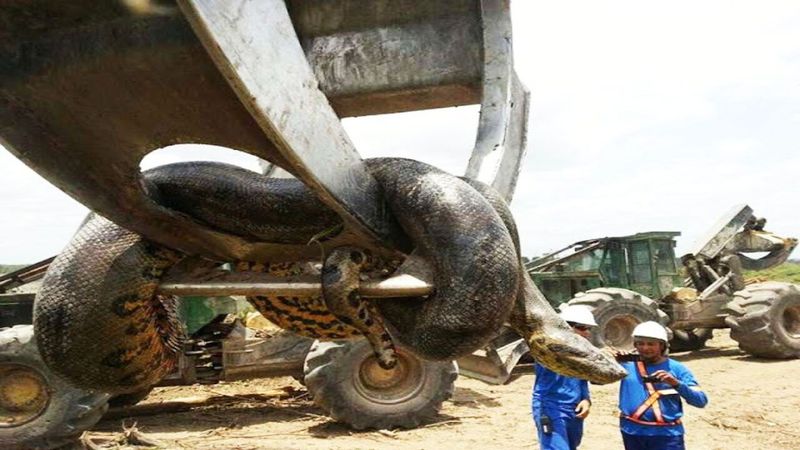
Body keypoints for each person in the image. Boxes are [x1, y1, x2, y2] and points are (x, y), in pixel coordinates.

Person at [616, 321, 708, 450]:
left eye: (651, 344)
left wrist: (676, 384)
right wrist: (610, 361)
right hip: (632, 432)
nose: (645, 348)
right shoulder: (627, 366)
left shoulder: (677, 369)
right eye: (640, 344)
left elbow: (700, 401)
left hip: (666, 436)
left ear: (662, 346)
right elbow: (597, 381)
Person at [532, 305, 596, 450]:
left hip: (574, 408)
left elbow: (582, 377)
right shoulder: (546, 348)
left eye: (588, 329)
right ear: (565, 327)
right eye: (582, 328)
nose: (586, 333)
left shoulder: (581, 350)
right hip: (550, 407)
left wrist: (586, 399)